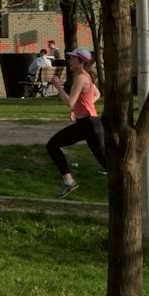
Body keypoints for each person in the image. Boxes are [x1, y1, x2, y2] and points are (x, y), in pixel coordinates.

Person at [46, 47, 106, 198]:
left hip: (89, 125)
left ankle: (69, 181)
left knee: (106, 162)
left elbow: (70, 102)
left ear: (80, 61)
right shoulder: (86, 76)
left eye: (73, 58)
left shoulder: (81, 78)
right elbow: (96, 94)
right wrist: (79, 110)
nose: (70, 60)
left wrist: (59, 87)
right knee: (53, 145)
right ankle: (68, 181)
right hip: (87, 124)